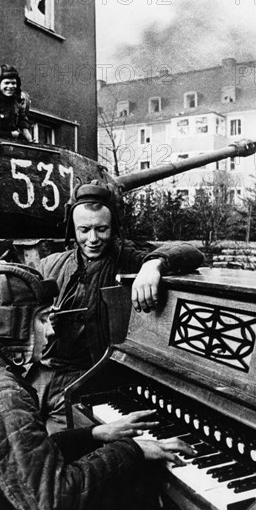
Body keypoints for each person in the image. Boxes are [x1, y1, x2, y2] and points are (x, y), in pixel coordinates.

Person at [0, 262, 194, 510]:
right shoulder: (0, 395)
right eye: (43, 320)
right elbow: (53, 505)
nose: (52, 330)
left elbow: (21, 453)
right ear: (12, 326)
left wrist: (95, 434)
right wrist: (133, 450)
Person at [28, 180, 205, 433]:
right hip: (38, 377)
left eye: (102, 229)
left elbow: (191, 252)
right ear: (72, 229)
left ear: (113, 227)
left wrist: (153, 265)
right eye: (84, 229)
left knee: (60, 452)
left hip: (86, 380)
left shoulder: (128, 259)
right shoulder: (50, 266)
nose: (92, 239)